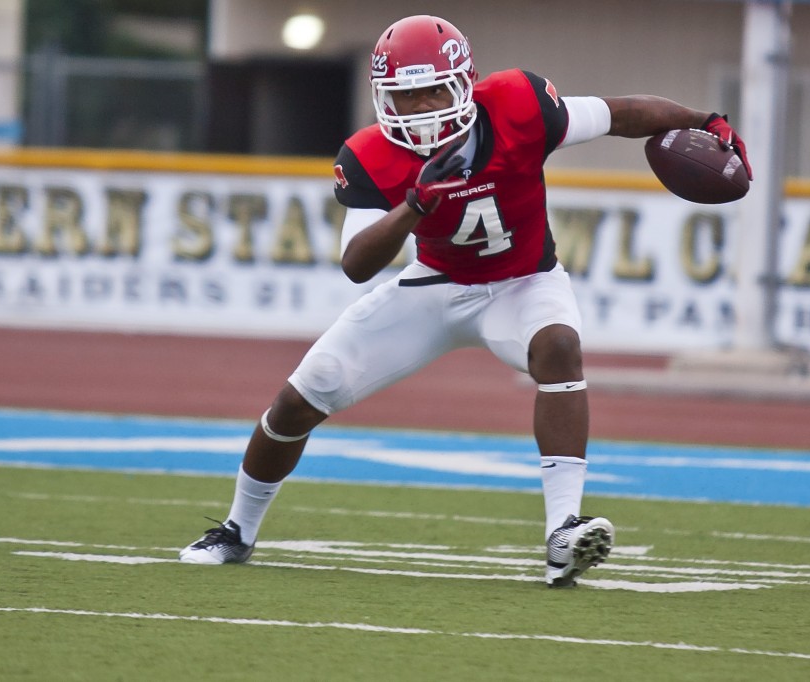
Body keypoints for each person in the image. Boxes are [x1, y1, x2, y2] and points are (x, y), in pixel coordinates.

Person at [180, 14, 751, 587]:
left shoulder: (519, 104)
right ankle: (236, 530)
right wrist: (414, 205)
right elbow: (356, 263)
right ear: (383, 100)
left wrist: (703, 120)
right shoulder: (368, 153)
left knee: (558, 345)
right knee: (300, 399)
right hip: (435, 285)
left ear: (464, 82)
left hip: (524, 280)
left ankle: (562, 531)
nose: (422, 108)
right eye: (406, 96)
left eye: (433, 89)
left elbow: (620, 113)